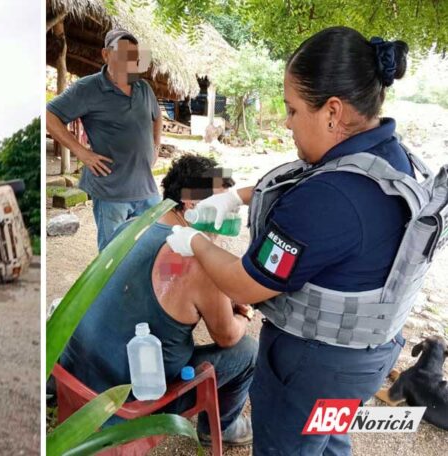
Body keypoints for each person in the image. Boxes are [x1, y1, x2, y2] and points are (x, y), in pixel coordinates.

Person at [168, 27, 416, 455]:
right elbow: (299, 181)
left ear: (332, 112)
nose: (286, 122)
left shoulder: (330, 199)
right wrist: (236, 196)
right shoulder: (391, 157)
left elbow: (246, 285)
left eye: (292, 109)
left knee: (289, 446)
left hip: (312, 369)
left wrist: (195, 242)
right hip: (363, 360)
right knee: (328, 436)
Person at [59, 154, 257, 446]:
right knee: (247, 350)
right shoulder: (197, 261)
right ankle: (224, 427)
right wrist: (243, 317)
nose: (230, 213)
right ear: (192, 205)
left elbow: (167, 279)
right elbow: (227, 335)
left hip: (75, 380)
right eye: (223, 203)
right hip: (127, 403)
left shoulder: (135, 225)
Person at [46, 28, 162, 250]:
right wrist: (81, 152)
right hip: (111, 191)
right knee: (113, 253)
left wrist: (155, 146)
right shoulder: (88, 88)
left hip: (146, 188)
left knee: (154, 246)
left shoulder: (143, 87)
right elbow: (50, 116)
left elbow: (156, 117)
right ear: (106, 55)